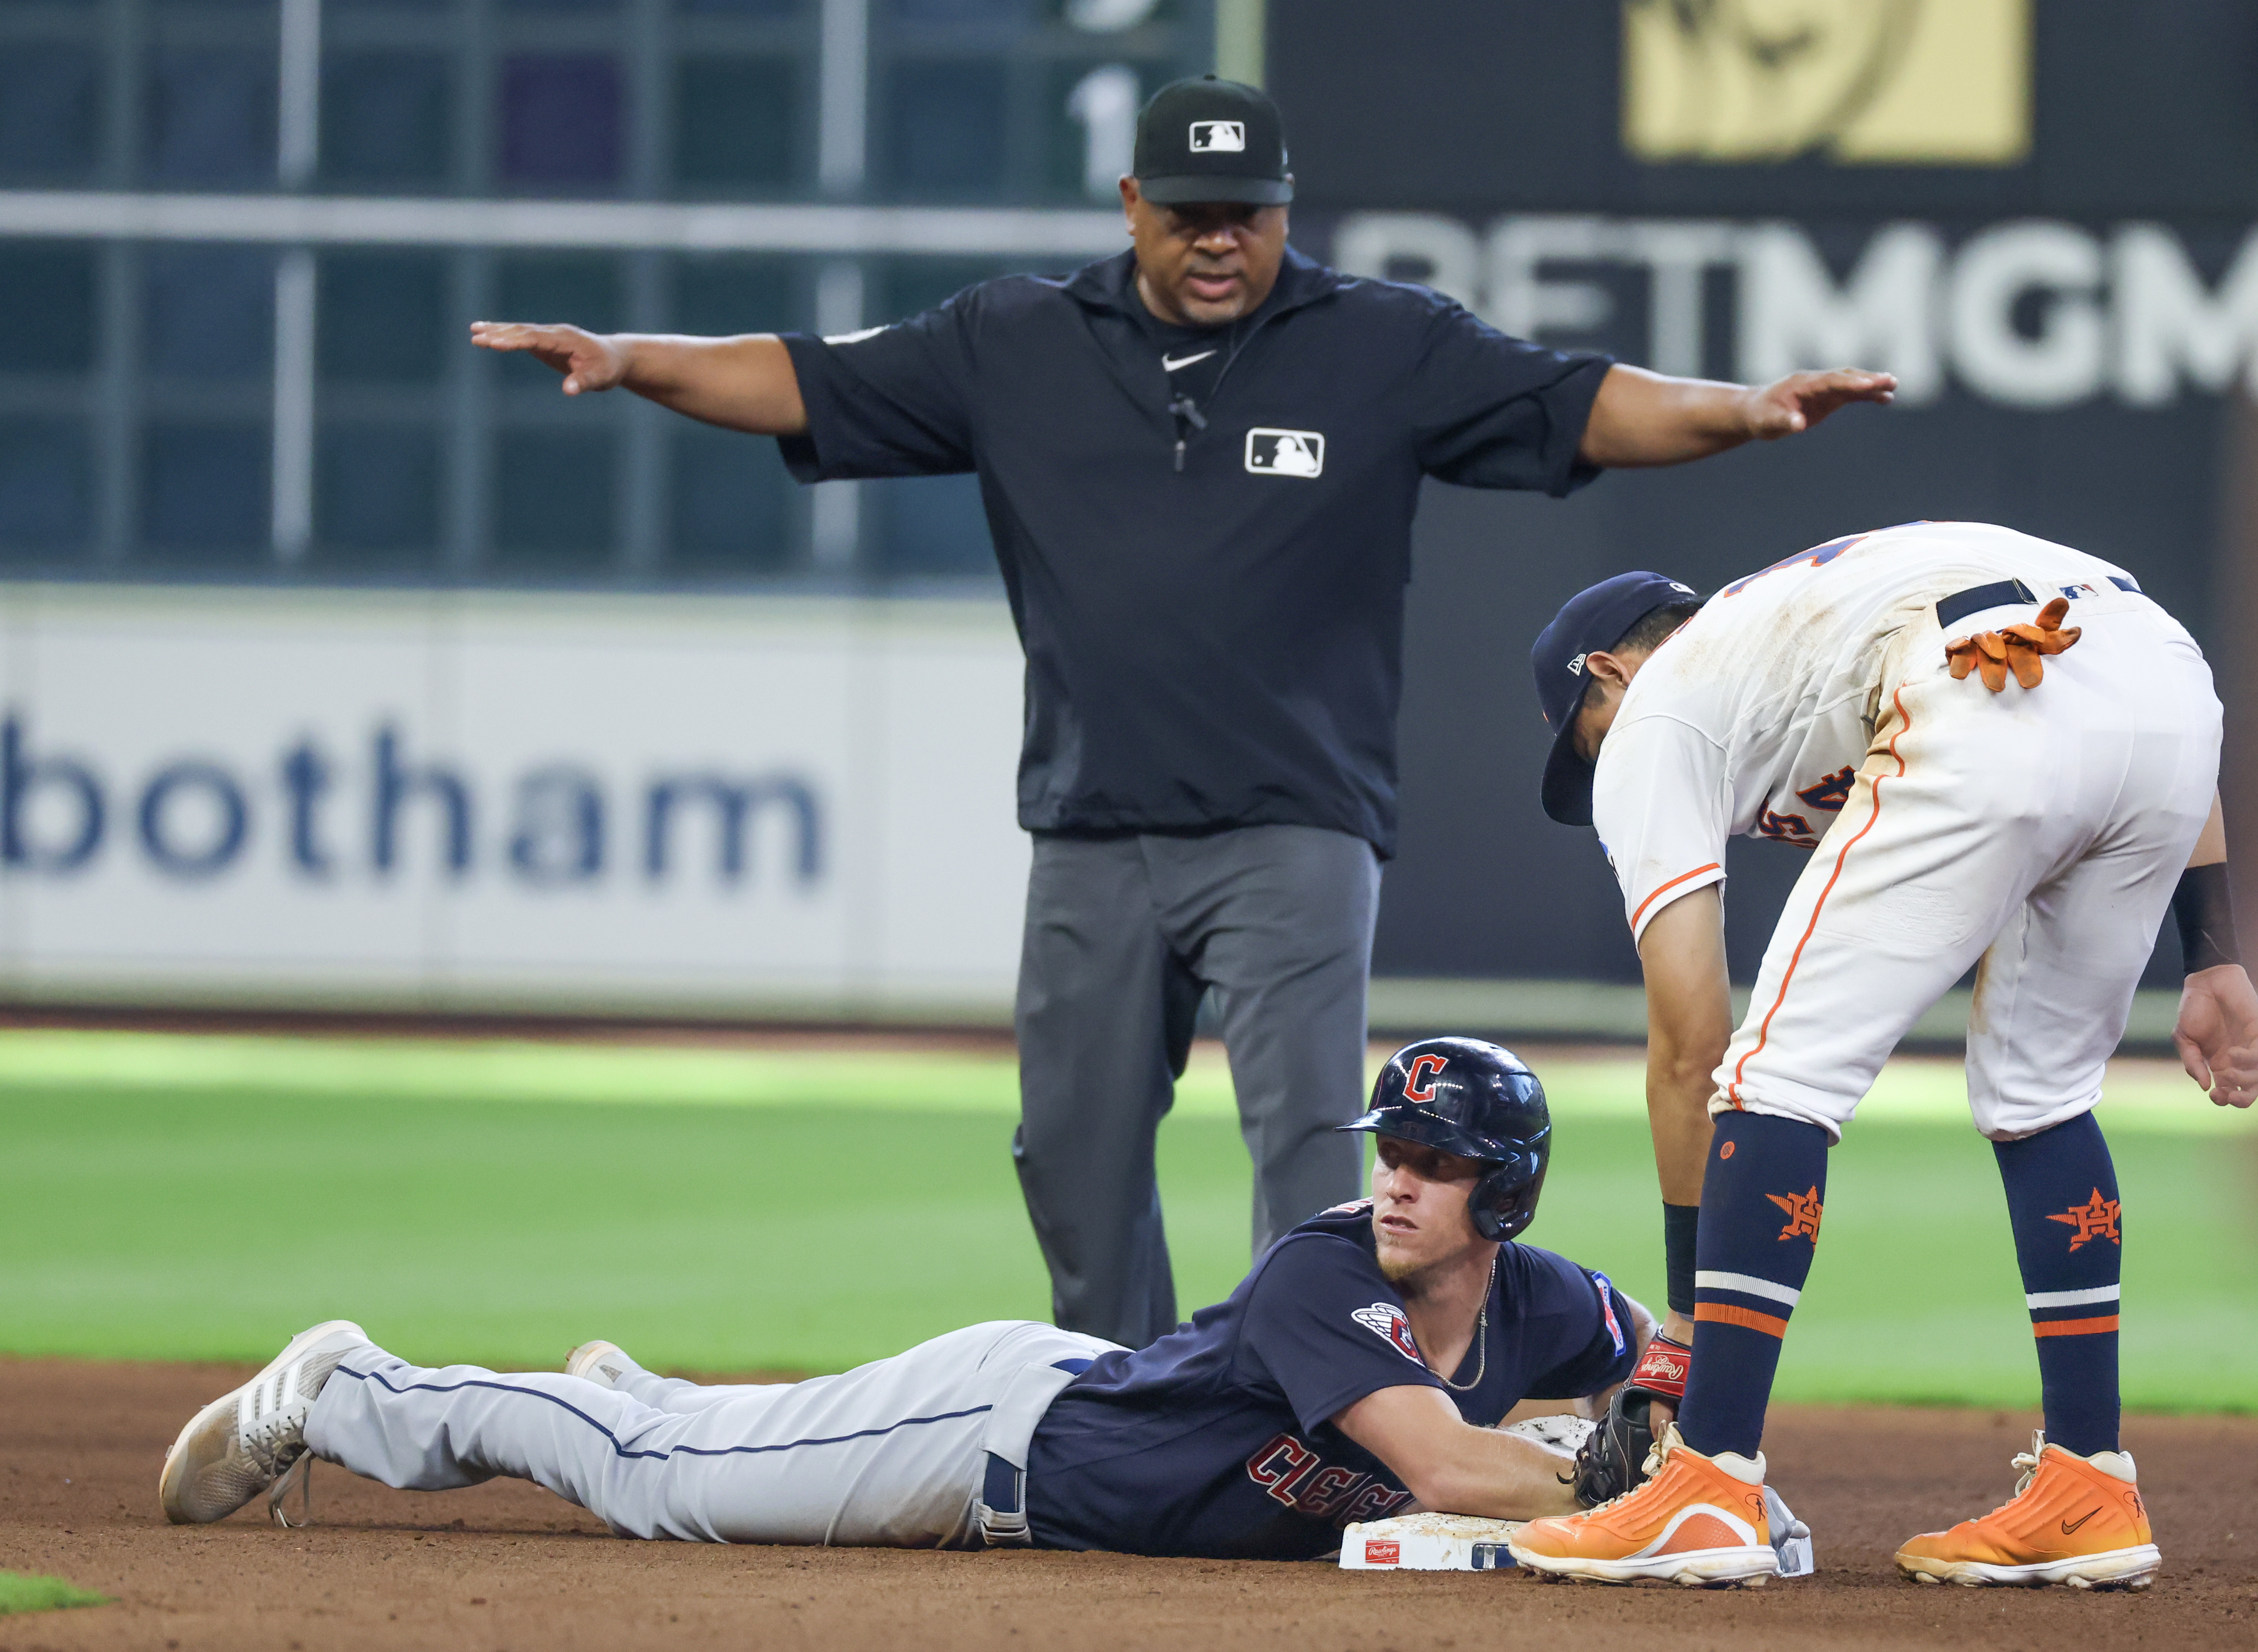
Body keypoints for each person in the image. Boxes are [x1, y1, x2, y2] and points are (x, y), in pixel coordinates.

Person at [468, 75, 1897, 1350]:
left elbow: (1580, 401)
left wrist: (1747, 409)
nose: (1223, 239)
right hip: (1092, 823)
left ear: (1286, 213)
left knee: (1310, 1154)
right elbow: (813, 378)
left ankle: (1317, 1415)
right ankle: (1118, 1399)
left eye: (1251, 214)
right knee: (1073, 1156)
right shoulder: (1014, 340)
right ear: (1134, 202)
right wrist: (634, 357)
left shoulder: (1378, 345)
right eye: (1195, 211)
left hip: (1297, 820)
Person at [1503, 522, 2258, 1588]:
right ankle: (2089, 1479)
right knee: (2041, 1093)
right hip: (2166, 682)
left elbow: (1688, 1042)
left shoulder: (1658, 705)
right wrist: (2216, 954)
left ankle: (1708, 1479)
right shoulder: (1788, 633)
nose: (1598, 769)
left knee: (1773, 1078)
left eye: (1583, 741)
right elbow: (2114, 683)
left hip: (1986, 681)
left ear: (1610, 670)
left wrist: (1681, 1325)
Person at [160, 1040, 1697, 1559]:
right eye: (1391, 1150)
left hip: (1073, 1426)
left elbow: (1677, 1367)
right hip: (990, 1440)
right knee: (655, 1494)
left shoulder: (1546, 1302)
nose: (1397, 1181)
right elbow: (1441, 1468)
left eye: (1435, 1160)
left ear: (1504, 1194)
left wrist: (1679, 1447)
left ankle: (632, 1390)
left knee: (690, 1443)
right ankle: (350, 1387)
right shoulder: (1324, 1268)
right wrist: (1607, 1484)